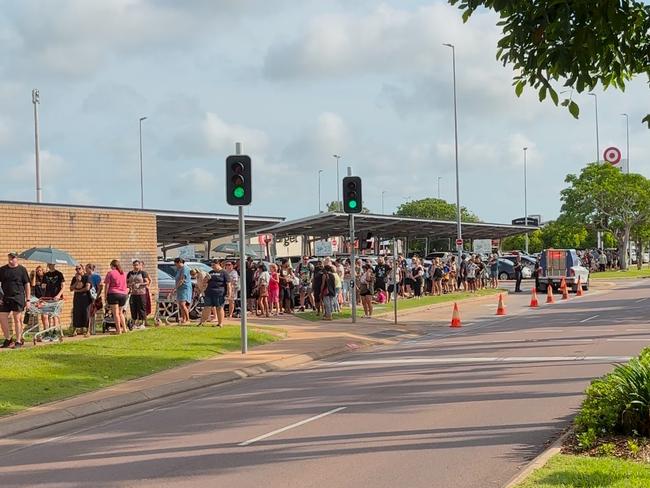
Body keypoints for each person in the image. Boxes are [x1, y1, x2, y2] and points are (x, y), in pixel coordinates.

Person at [0, 252, 30, 349]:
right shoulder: (2, 270)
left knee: (17, 319)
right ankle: (8, 339)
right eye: (9, 257)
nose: (11, 259)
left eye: (13, 258)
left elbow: (27, 285)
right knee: (2, 317)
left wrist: (28, 299)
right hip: (5, 298)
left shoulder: (22, 270)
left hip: (18, 297)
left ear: (17, 258)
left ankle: (18, 340)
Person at [201, 260, 230, 327]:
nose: (212, 266)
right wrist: (206, 279)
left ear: (218, 264)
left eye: (214, 265)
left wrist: (229, 293)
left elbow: (228, 284)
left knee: (219, 308)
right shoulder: (211, 272)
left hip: (219, 293)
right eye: (212, 265)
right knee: (206, 307)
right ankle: (202, 322)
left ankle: (220, 323)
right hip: (209, 292)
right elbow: (204, 281)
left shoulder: (224, 273)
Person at [104, 259, 128, 334]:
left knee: (116, 313)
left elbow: (107, 286)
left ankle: (118, 330)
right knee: (121, 313)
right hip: (123, 294)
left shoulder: (110, 273)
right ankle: (124, 329)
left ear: (112, 265)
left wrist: (105, 296)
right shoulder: (123, 273)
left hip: (113, 294)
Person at [127, 260, 151, 329]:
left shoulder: (143, 273)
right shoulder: (130, 273)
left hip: (141, 293)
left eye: (137, 265)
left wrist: (140, 284)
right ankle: (134, 323)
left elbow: (147, 282)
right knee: (133, 308)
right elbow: (126, 282)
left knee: (141, 308)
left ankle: (142, 322)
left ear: (140, 265)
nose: (136, 266)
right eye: (134, 265)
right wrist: (129, 285)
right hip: (133, 293)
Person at [70, 264, 92, 336]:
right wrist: (77, 281)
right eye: (76, 269)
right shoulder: (74, 278)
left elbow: (87, 288)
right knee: (76, 313)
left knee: (86, 313)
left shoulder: (87, 277)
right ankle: (74, 331)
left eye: (79, 268)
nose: (77, 270)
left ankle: (88, 331)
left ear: (83, 269)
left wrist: (77, 291)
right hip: (77, 298)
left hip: (85, 298)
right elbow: (71, 289)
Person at [43, 263, 65, 330]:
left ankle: (55, 332)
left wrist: (58, 295)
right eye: (48, 264)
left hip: (56, 298)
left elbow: (63, 287)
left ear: (54, 264)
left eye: (51, 264)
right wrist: (43, 284)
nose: (50, 265)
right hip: (47, 298)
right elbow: (43, 286)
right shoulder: (46, 275)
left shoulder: (59, 274)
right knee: (45, 315)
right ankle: (47, 332)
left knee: (54, 315)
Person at [172, 258, 192, 324]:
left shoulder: (185, 268)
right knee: (180, 305)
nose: (176, 265)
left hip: (185, 288)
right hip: (180, 289)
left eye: (176, 264)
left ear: (180, 262)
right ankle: (183, 319)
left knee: (183, 304)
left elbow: (182, 280)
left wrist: (175, 288)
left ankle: (188, 319)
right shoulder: (179, 269)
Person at [85, 263, 103, 335]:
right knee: (89, 313)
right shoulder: (86, 276)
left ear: (90, 269)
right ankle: (89, 329)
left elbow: (100, 287)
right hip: (87, 296)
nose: (85, 270)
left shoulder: (96, 276)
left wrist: (96, 296)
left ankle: (92, 330)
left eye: (86, 268)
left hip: (93, 296)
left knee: (92, 313)